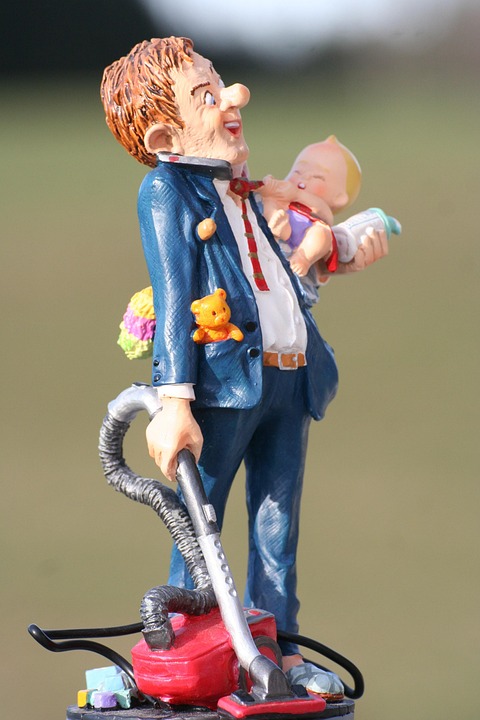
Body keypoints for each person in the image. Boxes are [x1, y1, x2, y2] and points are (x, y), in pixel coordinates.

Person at [101, 36, 388, 698]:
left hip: (290, 375)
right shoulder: (169, 192)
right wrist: (174, 401)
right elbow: (175, 294)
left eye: (222, 80)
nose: (235, 96)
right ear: (167, 135)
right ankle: (184, 653)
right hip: (225, 387)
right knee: (199, 528)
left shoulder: (247, 186)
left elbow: (275, 276)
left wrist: (332, 254)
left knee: (277, 530)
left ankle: (280, 653)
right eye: (207, 94)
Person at [258, 136, 362, 304]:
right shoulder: (285, 199)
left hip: (304, 237)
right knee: (269, 202)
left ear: (339, 198)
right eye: (297, 172)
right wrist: (269, 188)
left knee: (322, 233)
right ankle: (277, 226)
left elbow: (325, 216)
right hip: (282, 220)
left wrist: (297, 194)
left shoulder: (319, 208)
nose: (303, 178)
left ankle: (303, 257)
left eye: (317, 177)